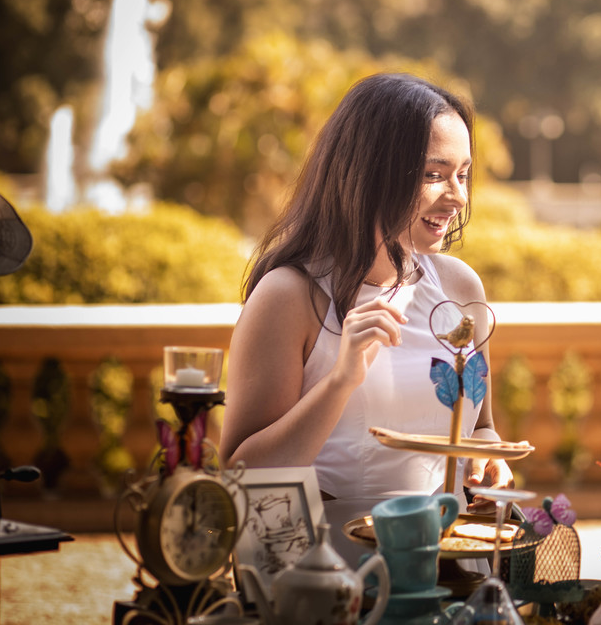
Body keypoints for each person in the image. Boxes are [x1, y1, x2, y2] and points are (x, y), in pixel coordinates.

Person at [220, 73, 514, 507]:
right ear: (372, 174)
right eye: (436, 174)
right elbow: (240, 475)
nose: (458, 197)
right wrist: (340, 382)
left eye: (463, 176)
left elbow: (482, 426)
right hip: (333, 567)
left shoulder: (458, 286)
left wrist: (488, 460)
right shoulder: (289, 296)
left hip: (452, 564)